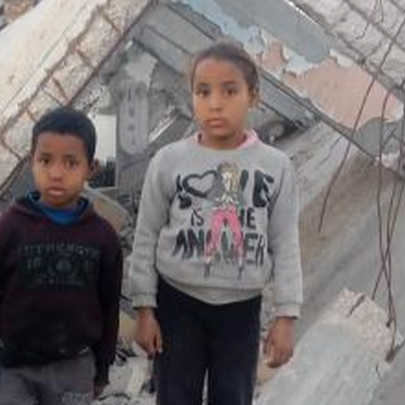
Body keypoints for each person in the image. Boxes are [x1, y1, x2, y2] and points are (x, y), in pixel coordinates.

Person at [130, 42, 303, 405]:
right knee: (175, 397)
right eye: (203, 91)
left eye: (229, 91)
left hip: (241, 309)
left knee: (233, 397)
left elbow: (285, 243)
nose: (215, 103)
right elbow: (145, 236)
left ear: (253, 96)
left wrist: (286, 315)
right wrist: (144, 308)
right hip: (177, 303)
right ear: (192, 96)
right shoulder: (169, 161)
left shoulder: (275, 167)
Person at [0, 107, 123, 404]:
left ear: (91, 168)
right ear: (31, 162)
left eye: (71, 163)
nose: (56, 173)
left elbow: (109, 306)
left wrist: (102, 368)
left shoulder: (102, 238)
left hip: (75, 367)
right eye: (46, 160)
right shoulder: (7, 229)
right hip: (15, 368)